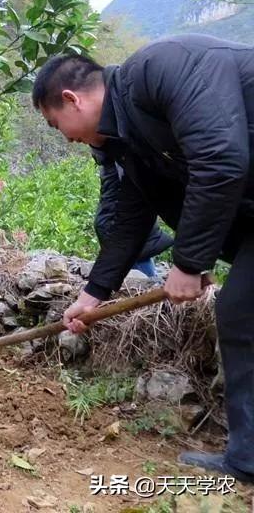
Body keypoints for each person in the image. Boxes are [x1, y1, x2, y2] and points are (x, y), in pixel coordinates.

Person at [32, 34, 254, 482]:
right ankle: (248, 458)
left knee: (240, 313)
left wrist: (189, 263)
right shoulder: (122, 141)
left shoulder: (163, 69)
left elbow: (221, 158)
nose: (67, 139)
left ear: (72, 100)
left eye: (57, 126)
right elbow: (130, 222)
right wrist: (92, 294)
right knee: (242, 315)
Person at [92, 148, 173, 278]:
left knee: (117, 231)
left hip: (122, 214)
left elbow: (134, 195)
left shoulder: (119, 142)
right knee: (113, 229)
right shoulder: (113, 144)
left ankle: (148, 282)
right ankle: (149, 280)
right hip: (115, 198)